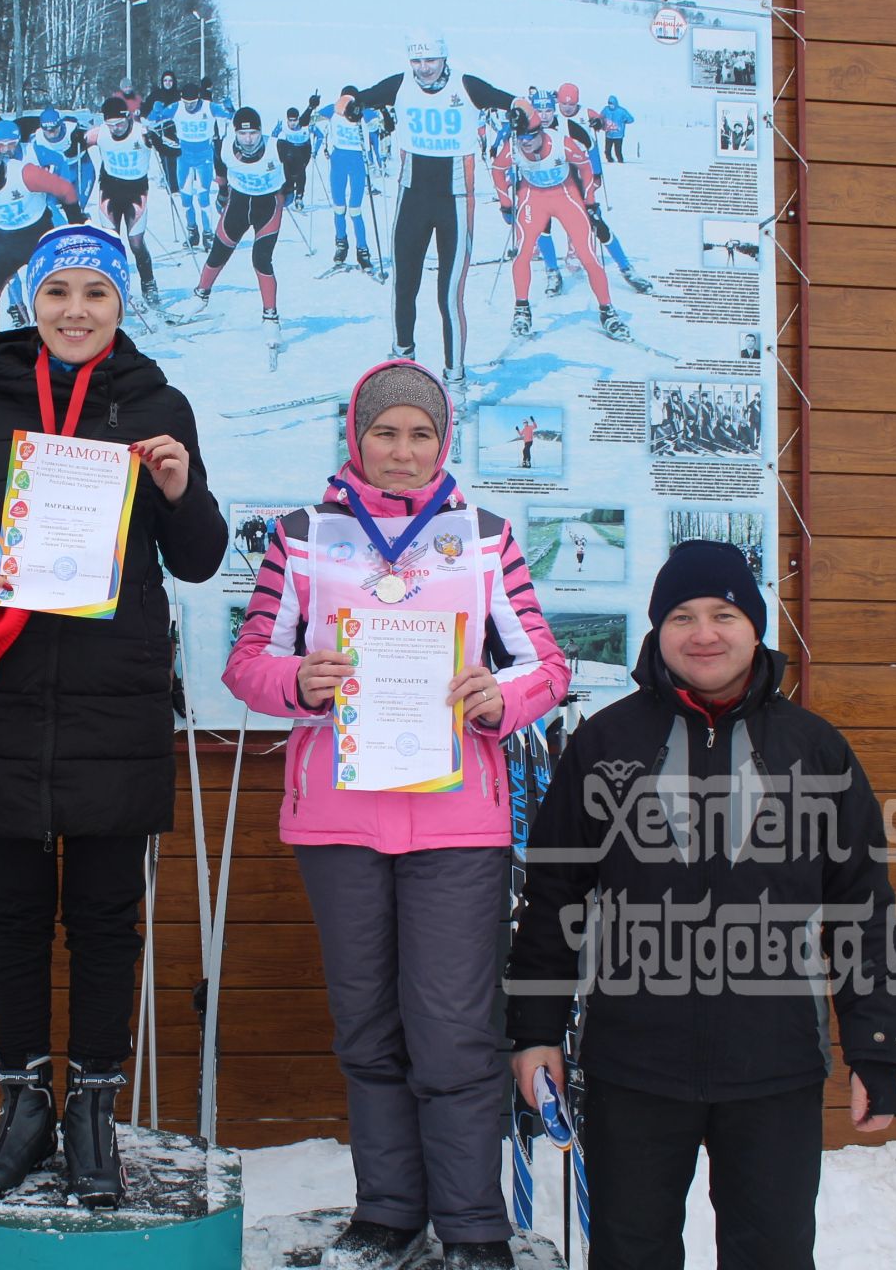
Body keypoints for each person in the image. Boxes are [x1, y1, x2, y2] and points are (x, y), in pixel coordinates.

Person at [222, 359, 568, 1270]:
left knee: (453, 1029)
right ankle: (387, 1212)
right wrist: (298, 680)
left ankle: (473, 1225)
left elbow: (546, 666)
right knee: (368, 1028)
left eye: (421, 433)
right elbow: (249, 659)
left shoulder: (485, 536)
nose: (403, 451)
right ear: (356, 437)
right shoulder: (300, 537)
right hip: (339, 818)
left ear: (443, 441)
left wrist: (500, 698)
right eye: (386, 433)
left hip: (457, 820)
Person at [0, 224, 227, 1208]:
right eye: (58, 292)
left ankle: (92, 1104)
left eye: (96, 291)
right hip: (2, 686)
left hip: (114, 691)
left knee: (102, 914)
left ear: (122, 304)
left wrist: (178, 486)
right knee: (8, 910)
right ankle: (22, 1103)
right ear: (31, 302)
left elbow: (202, 553)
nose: (76, 310)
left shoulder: (155, 401)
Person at [510, 542, 896, 1268]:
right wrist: (535, 1031)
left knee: (774, 1252)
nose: (704, 633)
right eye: (682, 616)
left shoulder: (814, 749)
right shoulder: (607, 742)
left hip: (775, 1063)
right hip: (635, 1062)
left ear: (755, 627)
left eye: (724, 613)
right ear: (657, 631)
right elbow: (554, 895)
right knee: (631, 1252)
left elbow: (862, 907)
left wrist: (875, 1048)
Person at [348, 33, 520, 389]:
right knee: (403, 286)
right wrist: (348, 101)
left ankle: (455, 379)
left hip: (454, 201)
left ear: (444, 59)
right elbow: (360, 97)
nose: (424, 69)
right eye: (417, 62)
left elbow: (509, 100)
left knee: (449, 295)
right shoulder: (400, 85)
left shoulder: (466, 85)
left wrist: (521, 110)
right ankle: (401, 362)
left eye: (430, 61)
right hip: (411, 199)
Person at [498, 100, 629, 342]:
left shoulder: (562, 143)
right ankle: (522, 309)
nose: (525, 142)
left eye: (530, 136)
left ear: (540, 132)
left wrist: (589, 201)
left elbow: (586, 167)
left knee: (588, 254)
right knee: (523, 252)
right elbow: (498, 169)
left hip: (565, 195)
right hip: (533, 196)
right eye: (520, 137)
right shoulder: (513, 146)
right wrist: (505, 203)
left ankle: (607, 311)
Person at [0, 131, 83, 330]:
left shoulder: (23, 174)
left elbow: (65, 189)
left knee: (53, 294)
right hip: (3, 240)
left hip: (39, 235)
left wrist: (76, 222)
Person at [192, 108, 287, 349]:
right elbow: (219, 163)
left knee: (261, 259)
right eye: (243, 133)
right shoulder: (224, 146)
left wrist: (292, 188)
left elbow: (299, 160)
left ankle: (270, 318)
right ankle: (201, 296)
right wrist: (222, 190)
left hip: (268, 206)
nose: (248, 139)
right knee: (219, 251)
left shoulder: (277, 147)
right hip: (238, 204)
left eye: (253, 132)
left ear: (260, 132)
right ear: (235, 133)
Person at [83, 96, 162, 307]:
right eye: (111, 125)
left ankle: (148, 283)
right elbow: (74, 146)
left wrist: (159, 142)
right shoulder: (99, 134)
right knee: (111, 243)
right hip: (110, 190)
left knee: (136, 243)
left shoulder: (141, 132)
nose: (116, 129)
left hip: (136, 191)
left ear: (128, 117)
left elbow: (172, 148)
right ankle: (115, 286)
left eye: (119, 123)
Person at [321, 86, 383, 273]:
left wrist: (381, 111)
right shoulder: (333, 109)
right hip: (338, 160)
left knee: (355, 208)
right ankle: (341, 244)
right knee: (339, 207)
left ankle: (362, 251)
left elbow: (378, 121)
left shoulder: (363, 111)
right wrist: (310, 110)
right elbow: (310, 120)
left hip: (357, 161)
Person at [168, 81, 229, 250]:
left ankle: (208, 233)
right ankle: (192, 231)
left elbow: (233, 117)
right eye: (187, 103)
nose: (189, 107)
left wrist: (230, 109)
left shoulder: (209, 107)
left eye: (193, 103)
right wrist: (154, 113)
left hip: (204, 157)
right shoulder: (177, 107)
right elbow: (150, 120)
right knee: (186, 198)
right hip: (184, 158)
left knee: (203, 196)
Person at [600, 94, 633, 162]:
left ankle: (620, 162)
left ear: (615, 103)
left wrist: (625, 120)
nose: (610, 105)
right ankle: (610, 162)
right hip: (609, 134)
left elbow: (631, 119)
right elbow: (600, 117)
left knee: (618, 151)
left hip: (618, 135)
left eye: (612, 103)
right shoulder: (606, 110)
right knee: (607, 151)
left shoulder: (621, 111)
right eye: (609, 103)